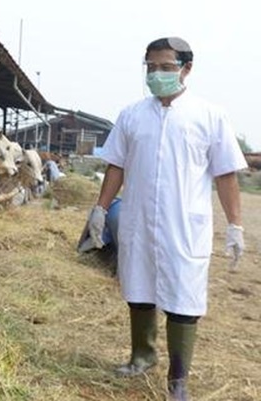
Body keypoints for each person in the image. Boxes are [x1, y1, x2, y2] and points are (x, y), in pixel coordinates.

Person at [86, 37, 247, 400]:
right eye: (151, 67)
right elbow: (116, 166)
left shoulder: (209, 116)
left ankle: (178, 380)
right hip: (138, 219)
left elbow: (226, 175)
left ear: (187, 69)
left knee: (183, 299)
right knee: (138, 290)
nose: (156, 74)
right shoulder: (131, 115)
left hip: (184, 225)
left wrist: (235, 224)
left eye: (165, 67)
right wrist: (100, 207)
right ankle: (142, 356)